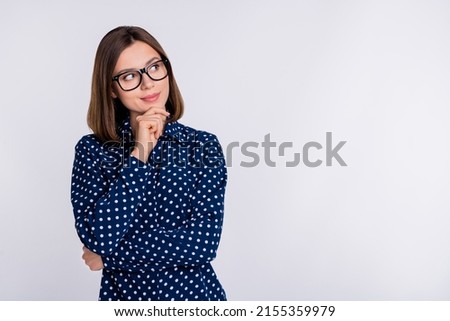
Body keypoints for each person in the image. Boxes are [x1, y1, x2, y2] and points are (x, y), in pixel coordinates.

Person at [70, 26, 227, 301]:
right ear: (112, 89)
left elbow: (203, 244)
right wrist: (140, 154)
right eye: (129, 76)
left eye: (154, 67)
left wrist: (109, 258)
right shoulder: (91, 151)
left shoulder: (202, 146)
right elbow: (99, 238)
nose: (148, 84)